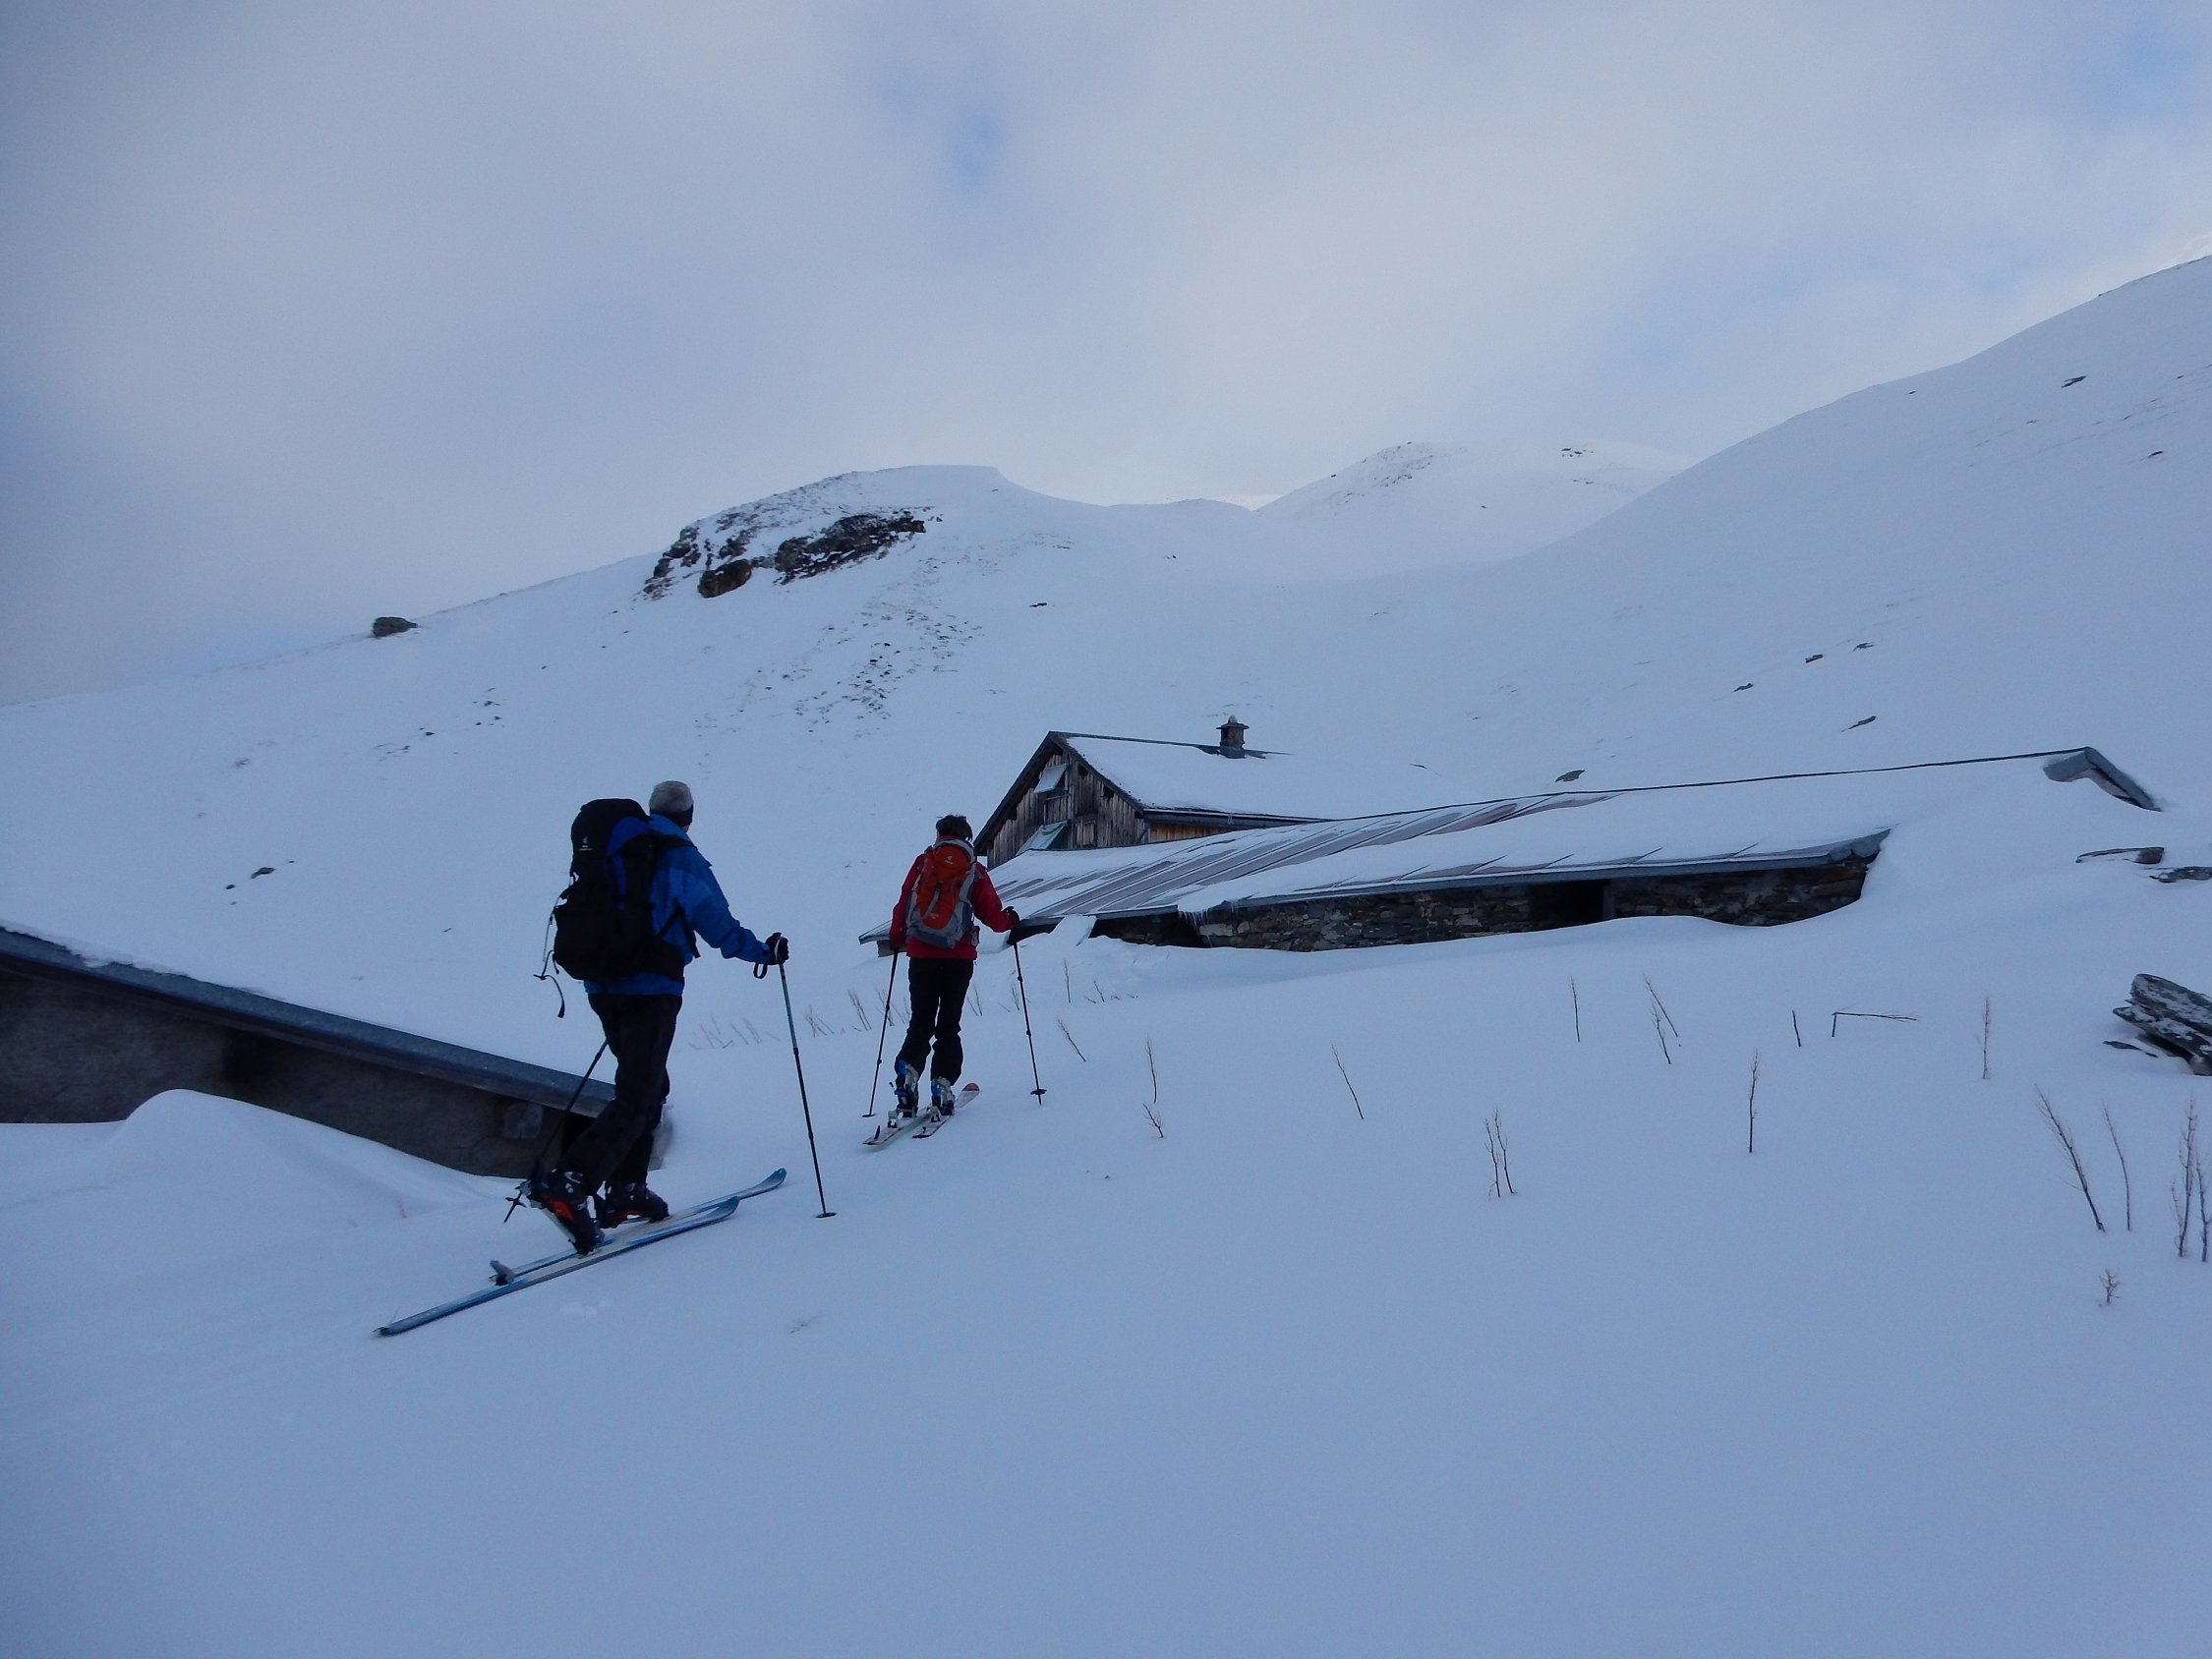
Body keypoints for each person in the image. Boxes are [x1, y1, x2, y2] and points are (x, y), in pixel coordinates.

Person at [532, 779, 786, 1254]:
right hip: (651, 986)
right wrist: (763, 953)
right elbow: (716, 924)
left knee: (648, 1085)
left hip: (602, 984)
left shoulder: (617, 850)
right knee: (640, 1092)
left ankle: (626, 1188)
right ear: (689, 817)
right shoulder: (678, 855)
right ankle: (572, 1181)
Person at [886, 814, 1018, 1120]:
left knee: (920, 1021)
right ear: (966, 837)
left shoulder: (923, 863)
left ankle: (908, 1074)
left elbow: (905, 901)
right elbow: (992, 914)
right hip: (958, 957)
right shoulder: (974, 868)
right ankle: (942, 1084)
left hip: (921, 954)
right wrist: (1010, 920)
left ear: (939, 834)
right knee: (948, 1024)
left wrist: (897, 937)